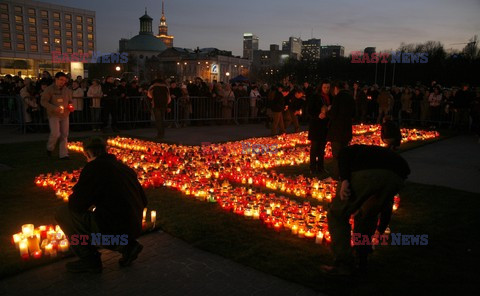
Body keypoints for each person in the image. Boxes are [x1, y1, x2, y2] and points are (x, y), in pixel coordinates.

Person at [55, 137, 147, 273]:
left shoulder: (94, 168)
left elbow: (76, 205)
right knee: (107, 220)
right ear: (106, 150)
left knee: (63, 213)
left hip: (112, 230)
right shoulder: (124, 167)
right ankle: (127, 246)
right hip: (134, 227)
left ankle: (89, 259)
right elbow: (144, 200)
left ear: (86, 153)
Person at [322, 144, 410, 275]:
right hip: (398, 176)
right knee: (368, 215)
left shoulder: (346, 153)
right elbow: (386, 208)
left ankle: (344, 264)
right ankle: (362, 259)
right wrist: (381, 229)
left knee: (337, 214)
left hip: (368, 173)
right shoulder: (369, 152)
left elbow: (344, 156)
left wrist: (345, 180)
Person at [326, 80, 355, 179]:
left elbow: (333, 114)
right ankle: (344, 175)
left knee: (337, 156)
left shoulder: (337, 97)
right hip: (347, 130)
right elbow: (354, 113)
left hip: (337, 131)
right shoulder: (350, 97)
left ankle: (336, 176)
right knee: (344, 154)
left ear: (336, 89)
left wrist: (328, 111)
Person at [41, 72, 73, 159]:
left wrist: (71, 106)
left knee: (64, 134)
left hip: (65, 115)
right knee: (55, 133)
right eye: (61, 80)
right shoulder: (49, 89)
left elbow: (70, 101)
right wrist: (54, 108)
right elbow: (43, 101)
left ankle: (64, 154)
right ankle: (50, 148)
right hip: (54, 115)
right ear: (56, 79)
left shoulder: (67, 90)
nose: (63, 82)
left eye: (64, 80)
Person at [308, 81, 331, 175]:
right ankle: (313, 168)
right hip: (316, 125)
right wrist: (318, 115)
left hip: (325, 126)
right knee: (314, 148)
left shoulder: (330, 98)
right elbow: (309, 110)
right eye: (325, 87)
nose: (326, 89)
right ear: (321, 87)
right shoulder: (315, 97)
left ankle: (321, 167)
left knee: (322, 148)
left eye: (328, 87)